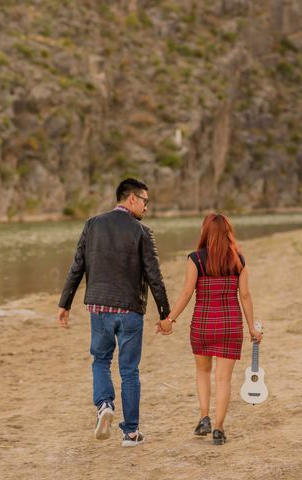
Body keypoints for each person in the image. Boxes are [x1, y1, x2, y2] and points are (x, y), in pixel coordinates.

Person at [57, 178, 172, 447]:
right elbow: (155, 276)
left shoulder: (92, 225)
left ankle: (104, 404)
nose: (146, 207)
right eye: (145, 201)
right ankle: (130, 433)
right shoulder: (143, 232)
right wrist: (165, 314)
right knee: (129, 370)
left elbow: (77, 267)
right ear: (131, 198)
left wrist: (65, 303)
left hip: (99, 308)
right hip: (130, 310)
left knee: (100, 360)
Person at [159, 213, 263, 445]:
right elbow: (245, 295)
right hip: (229, 325)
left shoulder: (195, 259)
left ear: (205, 232)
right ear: (228, 232)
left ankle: (204, 417)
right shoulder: (238, 259)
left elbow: (187, 293)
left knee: (203, 372)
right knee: (223, 379)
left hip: (203, 324)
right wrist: (252, 328)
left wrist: (170, 320)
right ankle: (218, 429)